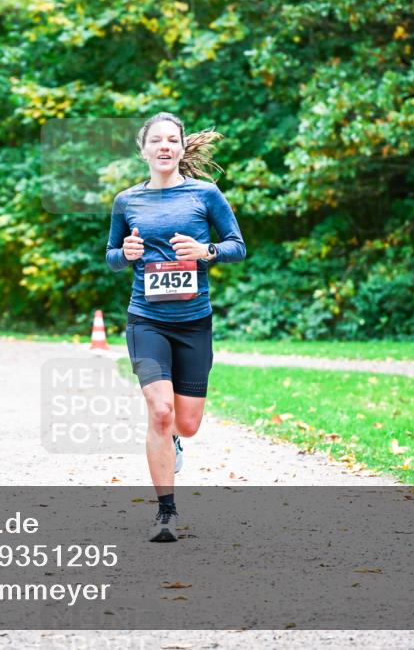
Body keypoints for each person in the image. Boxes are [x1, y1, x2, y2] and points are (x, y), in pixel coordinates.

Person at [105, 112, 246, 542]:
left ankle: (175, 443)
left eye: (172, 140)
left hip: (193, 322)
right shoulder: (127, 201)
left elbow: (237, 247)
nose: (164, 146)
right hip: (146, 318)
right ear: (143, 149)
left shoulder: (205, 194)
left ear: (182, 148)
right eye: (156, 141)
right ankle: (166, 512)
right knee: (160, 412)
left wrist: (205, 251)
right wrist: (126, 253)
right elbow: (112, 256)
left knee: (186, 424)